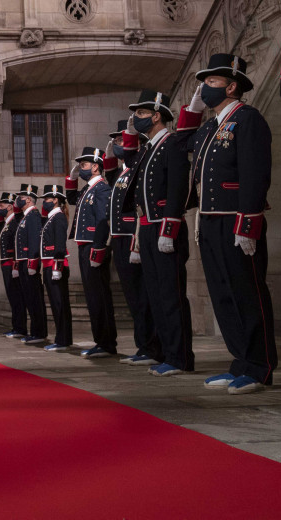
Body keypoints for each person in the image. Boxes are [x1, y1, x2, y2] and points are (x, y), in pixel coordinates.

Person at [182, 55, 278, 395]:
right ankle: (240, 362)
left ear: (231, 85)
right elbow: (181, 145)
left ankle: (259, 367)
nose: (203, 88)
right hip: (208, 221)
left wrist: (248, 222)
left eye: (210, 83)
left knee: (246, 294)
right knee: (223, 295)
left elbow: (255, 173)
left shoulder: (247, 119)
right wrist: (192, 112)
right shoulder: (209, 126)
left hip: (236, 222)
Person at [122, 90, 194, 377]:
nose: (135, 118)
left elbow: (177, 188)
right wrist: (141, 239)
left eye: (140, 114)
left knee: (171, 296)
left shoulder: (172, 143)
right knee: (155, 296)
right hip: (149, 229)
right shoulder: (148, 147)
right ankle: (165, 352)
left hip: (166, 229)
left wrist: (169, 228)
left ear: (156, 114)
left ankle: (180, 357)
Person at [106, 119, 160, 367]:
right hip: (119, 238)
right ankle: (143, 346)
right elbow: (108, 171)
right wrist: (110, 149)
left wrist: (136, 241)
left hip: (132, 238)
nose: (118, 144)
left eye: (122, 140)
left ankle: (150, 347)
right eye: (116, 141)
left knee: (142, 297)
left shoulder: (138, 165)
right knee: (133, 298)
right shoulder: (121, 172)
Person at [66, 147, 117, 358]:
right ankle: (101, 341)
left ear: (96, 166)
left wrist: (98, 249)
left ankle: (106, 343)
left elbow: (103, 221)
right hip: (84, 246)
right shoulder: (88, 189)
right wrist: (72, 177)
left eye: (84, 165)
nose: (81, 168)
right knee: (92, 296)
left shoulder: (102, 189)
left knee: (99, 296)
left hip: (93, 246)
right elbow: (71, 199)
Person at [38, 186, 72, 351]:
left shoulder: (58, 217)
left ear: (55, 200)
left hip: (55, 265)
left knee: (60, 304)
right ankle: (61, 338)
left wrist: (57, 267)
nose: (44, 202)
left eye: (46, 199)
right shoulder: (51, 218)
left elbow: (59, 244)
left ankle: (63, 340)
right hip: (49, 266)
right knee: (56, 303)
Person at [13, 184, 47, 344]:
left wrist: (33, 263)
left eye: (20, 197)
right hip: (24, 262)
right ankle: (35, 331)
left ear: (27, 198)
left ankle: (39, 333)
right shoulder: (25, 216)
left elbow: (35, 241)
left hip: (29, 263)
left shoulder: (33, 216)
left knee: (34, 299)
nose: (17, 200)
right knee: (29, 298)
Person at [0, 191, 27, 338]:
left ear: (9, 207)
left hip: (11, 262)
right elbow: (0, 226)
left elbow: (16, 243)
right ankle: (16, 327)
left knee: (16, 296)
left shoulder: (14, 221)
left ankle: (20, 328)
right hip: (5, 262)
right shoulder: (8, 222)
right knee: (12, 296)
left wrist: (15, 264)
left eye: (2, 205)